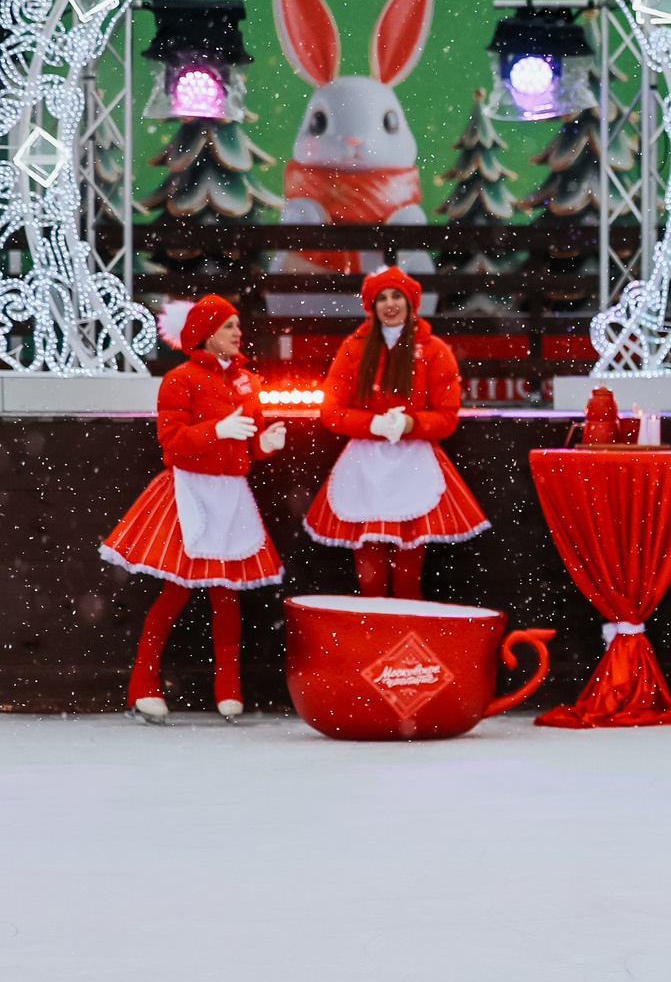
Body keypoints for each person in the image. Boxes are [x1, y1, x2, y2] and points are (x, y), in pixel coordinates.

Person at [101, 296, 289, 721]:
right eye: (228, 326)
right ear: (206, 333)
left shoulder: (247, 382)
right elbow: (173, 442)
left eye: (238, 325)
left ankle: (228, 684)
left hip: (230, 493)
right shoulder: (179, 379)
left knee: (227, 594)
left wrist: (264, 445)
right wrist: (217, 430)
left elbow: (250, 443)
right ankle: (142, 681)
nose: (237, 333)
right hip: (190, 492)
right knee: (177, 590)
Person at [303, 268, 487, 594]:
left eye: (396, 296)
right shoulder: (354, 348)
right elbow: (330, 412)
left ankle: (406, 639)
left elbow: (447, 416)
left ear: (411, 302)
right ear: (371, 307)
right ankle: (375, 637)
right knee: (369, 578)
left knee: (408, 578)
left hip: (414, 466)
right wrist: (370, 424)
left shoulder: (433, 350)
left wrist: (411, 423)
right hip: (363, 467)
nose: (390, 304)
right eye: (382, 298)